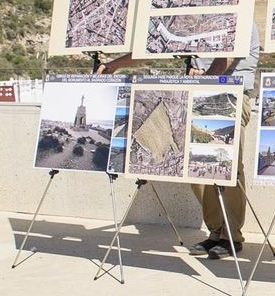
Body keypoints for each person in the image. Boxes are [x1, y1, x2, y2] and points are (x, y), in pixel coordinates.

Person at [98, 18, 259, 260]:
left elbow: (227, 57)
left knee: (226, 168)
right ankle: (216, 232)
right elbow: (156, 46)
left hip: (229, 94)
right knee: (196, 169)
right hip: (198, 93)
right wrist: (114, 65)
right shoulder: (194, 19)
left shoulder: (240, 14)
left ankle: (231, 236)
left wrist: (204, 79)